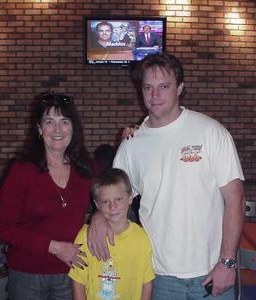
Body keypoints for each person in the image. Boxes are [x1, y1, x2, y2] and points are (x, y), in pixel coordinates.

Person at [88, 53, 245, 299]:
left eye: (163, 87)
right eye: (148, 88)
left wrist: (227, 262)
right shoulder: (132, 144)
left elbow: (235, 200)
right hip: (158, 274)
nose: (155, 95)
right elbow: (113, 195)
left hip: (211, 271)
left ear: (180, 88)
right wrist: (98, 216)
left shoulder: (211, 132)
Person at [0, 92, 96, 300]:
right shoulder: (21, 170)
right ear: (40, 129)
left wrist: (131, 138)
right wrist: (56, 248)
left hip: (72, 272)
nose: (58, 129)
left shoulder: (86, 168)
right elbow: (5, 229)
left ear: (73, 128)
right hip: (27, 275)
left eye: (64, 121)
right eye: (49, 121)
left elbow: (111, 198)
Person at [69, 168, 155, 300]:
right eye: (105, 201)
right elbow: (78, 280)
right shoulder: (85, 236)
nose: (112, 206)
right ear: (97, 204)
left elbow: (147, 282)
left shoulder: (142, 238)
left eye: (118, 199)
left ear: (130, 197)